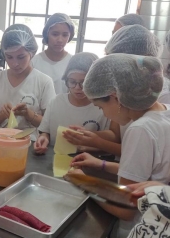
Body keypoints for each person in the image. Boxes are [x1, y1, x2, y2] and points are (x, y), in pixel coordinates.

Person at [65, 54, 170, 238]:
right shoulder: (164, 112)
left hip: (141, 227)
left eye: (100, 107)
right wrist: (102, 164)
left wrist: (83, 181)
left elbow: (126, 208)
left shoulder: (140, 129)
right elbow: (149, 174)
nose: (104, 114)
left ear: (116, 97)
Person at [66, 24, 167, 155]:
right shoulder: (124, 92)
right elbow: (118, 134)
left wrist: (97, 144)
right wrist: (90, 138)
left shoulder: (154, 97)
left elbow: (140, 154)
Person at [0, 24, 56, 131]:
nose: (15, 63)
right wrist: (2, 115)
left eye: (21, 57)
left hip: (30, 142)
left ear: (31, 53)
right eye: (9, 57)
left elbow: (50, 124)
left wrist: (29, 114)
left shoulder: (44, 82)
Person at [34, 52, 109, 154]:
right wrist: (44, 138)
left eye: (83, 83)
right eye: (72, 82)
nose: (77, 88)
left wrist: (86, 144)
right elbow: (45, 131)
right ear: (66, 80)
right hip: (55, 158)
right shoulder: (56, 102)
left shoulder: (102, 107)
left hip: (89, 161)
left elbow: (109, 141)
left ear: (94, 81)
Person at [31, 13, 75, 94]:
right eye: (55, 34)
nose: (60, 40)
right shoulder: (34, 62)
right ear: (47, 34)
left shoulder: (73, 63)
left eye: (65, 35)